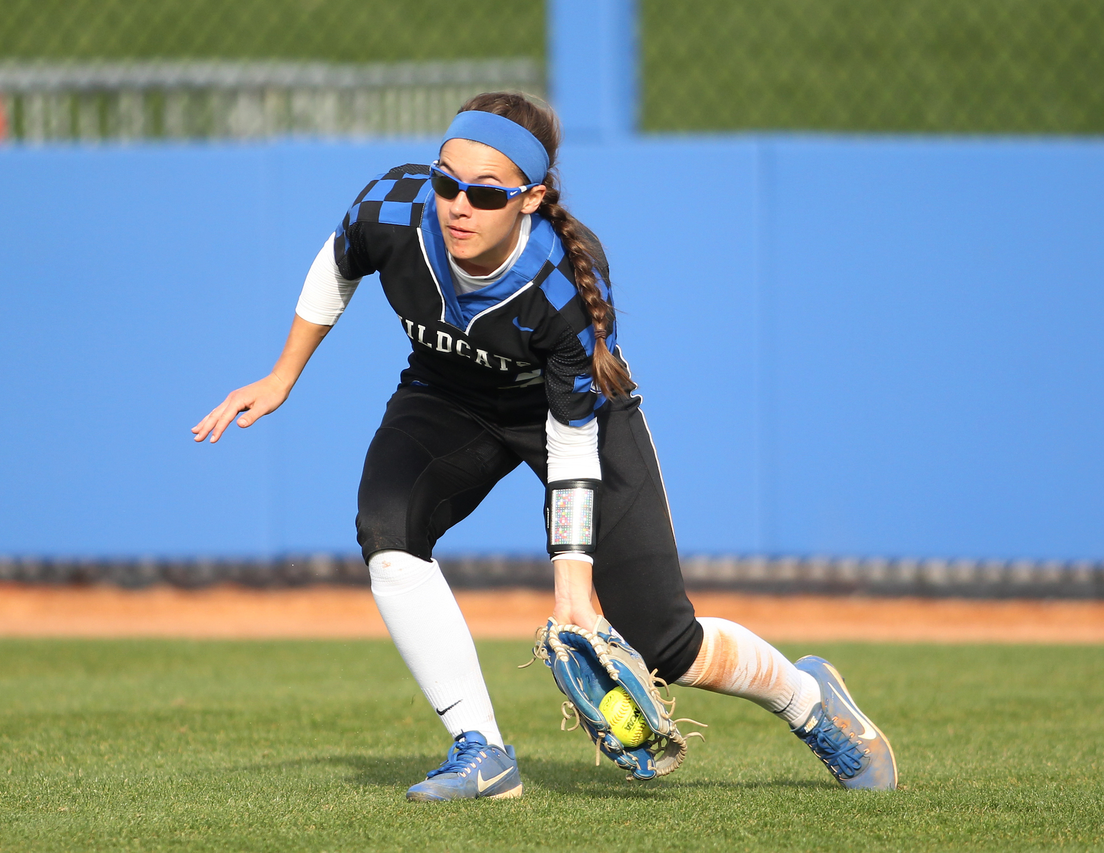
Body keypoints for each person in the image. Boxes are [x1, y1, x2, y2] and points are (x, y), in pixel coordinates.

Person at [193, 92, 897, 800]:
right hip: (448, 394)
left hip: (577, 422)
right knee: (387, 528)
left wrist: (573, 586)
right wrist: (283, 374)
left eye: (485, 193)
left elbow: (571, 443)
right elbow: (339, 259)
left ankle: (810, 702)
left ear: (530, 197)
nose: (457, 204)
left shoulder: (560, 281)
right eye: (447, 181)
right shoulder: (396, 208)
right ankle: (481, 750)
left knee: (665, 643)